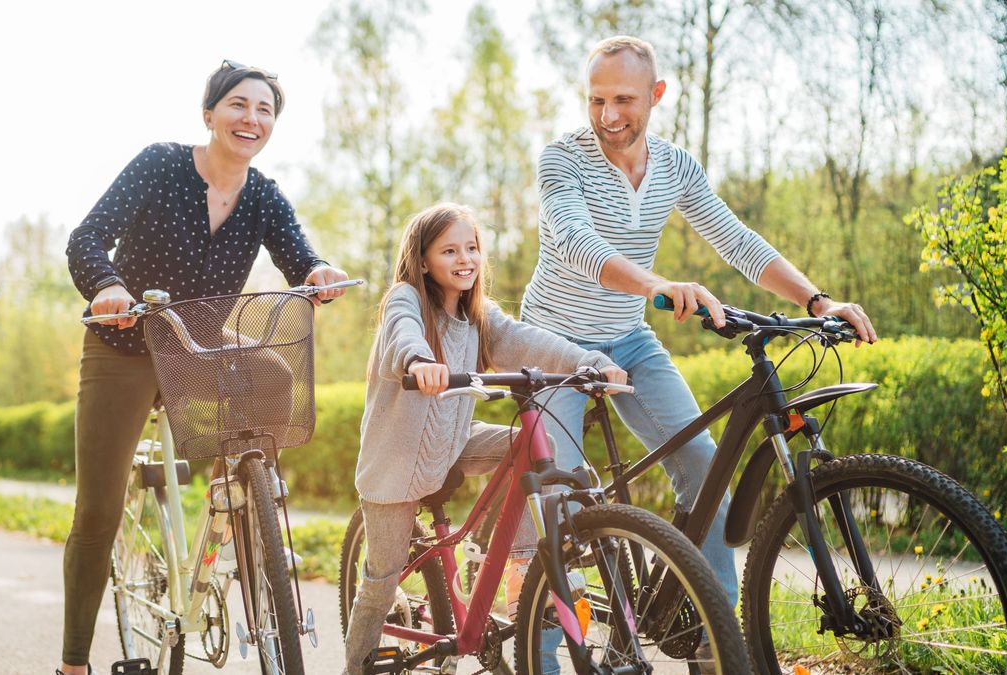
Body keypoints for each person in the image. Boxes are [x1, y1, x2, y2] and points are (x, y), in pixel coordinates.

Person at [518, 35, 877, 668]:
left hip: (629, 337)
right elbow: (575, 244)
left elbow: (736, 241)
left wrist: (818, 302)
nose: (608, 116)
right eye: (596, 100)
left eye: (624, 99)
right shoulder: (561, 160)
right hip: (554, 343)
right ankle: (542, 659)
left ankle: (719, 646)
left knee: (705, 467)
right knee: (561, 504)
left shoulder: (676, 167)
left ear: (656, 96)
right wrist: (658, 285)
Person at [58, 60, 349, 675]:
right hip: (127, 345)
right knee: (99, 509)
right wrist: (108, 286)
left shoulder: (263, 194)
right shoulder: (160, 165)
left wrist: (318, 273)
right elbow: (86, 239)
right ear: (210, 114)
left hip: (200, 351)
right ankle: (73, 663)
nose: (252, 119)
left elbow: (300, 255)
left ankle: (234, 486)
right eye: (240, 105)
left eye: (265, 110)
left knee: (277, 375)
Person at [343, 203, 630, 674]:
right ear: (422, 261)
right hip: (394, 463)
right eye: (450, 250)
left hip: (454, 440)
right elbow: (401, 334)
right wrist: (419, 362)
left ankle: (520, 569)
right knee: (381, 580)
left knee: (530, 445)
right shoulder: (406, 297)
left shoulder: (479, 315)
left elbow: (525, 340)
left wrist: (590, 361)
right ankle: (352, 668)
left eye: (472, 248)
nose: (465, 259)